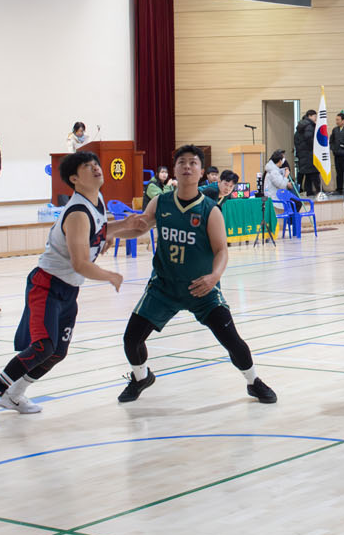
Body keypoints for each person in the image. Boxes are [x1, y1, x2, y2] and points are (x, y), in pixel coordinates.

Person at [0, 151, 125, 427]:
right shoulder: (77, 212)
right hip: (47, 284)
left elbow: (101, 231)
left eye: (96, 164)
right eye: (88, 166)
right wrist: (109, 275)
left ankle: (14, 395)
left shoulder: (97, 200)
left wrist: (129, 226)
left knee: (57, 351)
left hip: (69, 290)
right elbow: (80, 263)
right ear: (74, 179)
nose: (96, 168)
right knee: (42, 346)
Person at [111, 145, 277, 405]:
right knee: (131, 339)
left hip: (202, 288)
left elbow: (221, 251)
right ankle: (141, 377)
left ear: (201, 172)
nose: (187, 166)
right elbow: (139, 227)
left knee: (233, 341)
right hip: (164, 287)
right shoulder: (161, 202)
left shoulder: (210, 210)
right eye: (182, 162)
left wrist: (214, 277)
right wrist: (111, 234)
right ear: (175, 169)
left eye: (193, 163)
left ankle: (253, 381)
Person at [294, 109, 319, 197]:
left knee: (307, 174)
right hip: (309, 154)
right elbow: (309, 138)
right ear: (310, 116)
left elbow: (296, 140)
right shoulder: (309, 126)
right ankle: (318, 192)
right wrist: (317, 144)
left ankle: (309, 192)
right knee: (314, 173)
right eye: (315, 116)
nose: (316, 118)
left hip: (303, 154)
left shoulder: (300, 127)